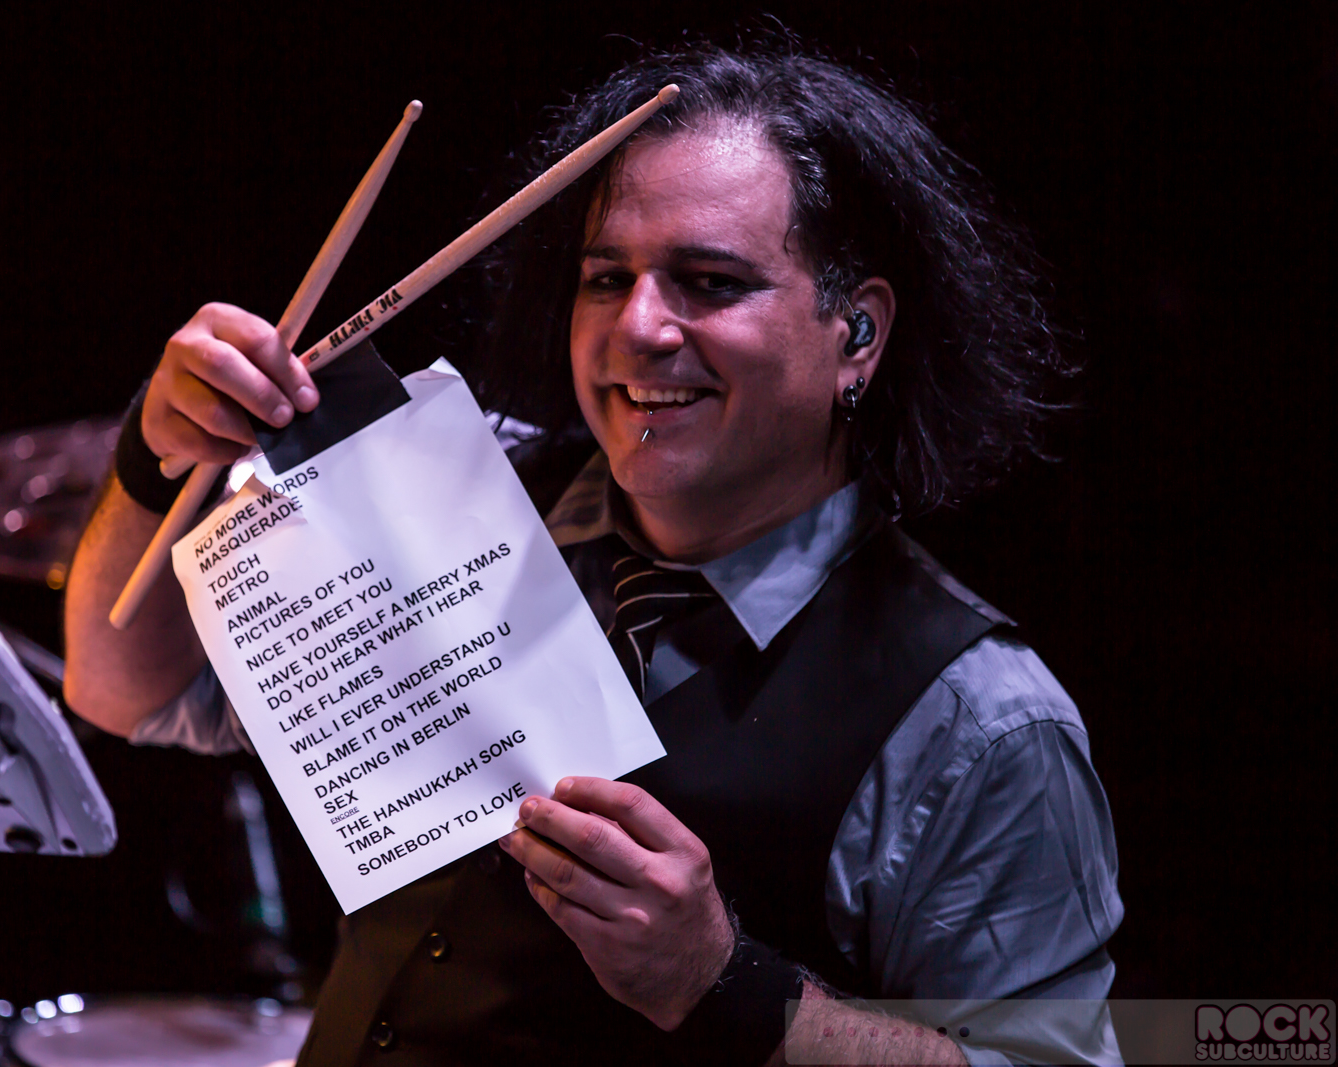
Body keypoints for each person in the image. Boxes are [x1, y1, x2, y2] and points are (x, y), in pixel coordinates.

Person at [64, 43, 1122, 1066]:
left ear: (857, 334)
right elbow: (126, 693)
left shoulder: (979, 719)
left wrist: (724, 984)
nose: (639, 327)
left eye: (709, 280)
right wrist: (159, 458)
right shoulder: (457, 500)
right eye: (607, 277)